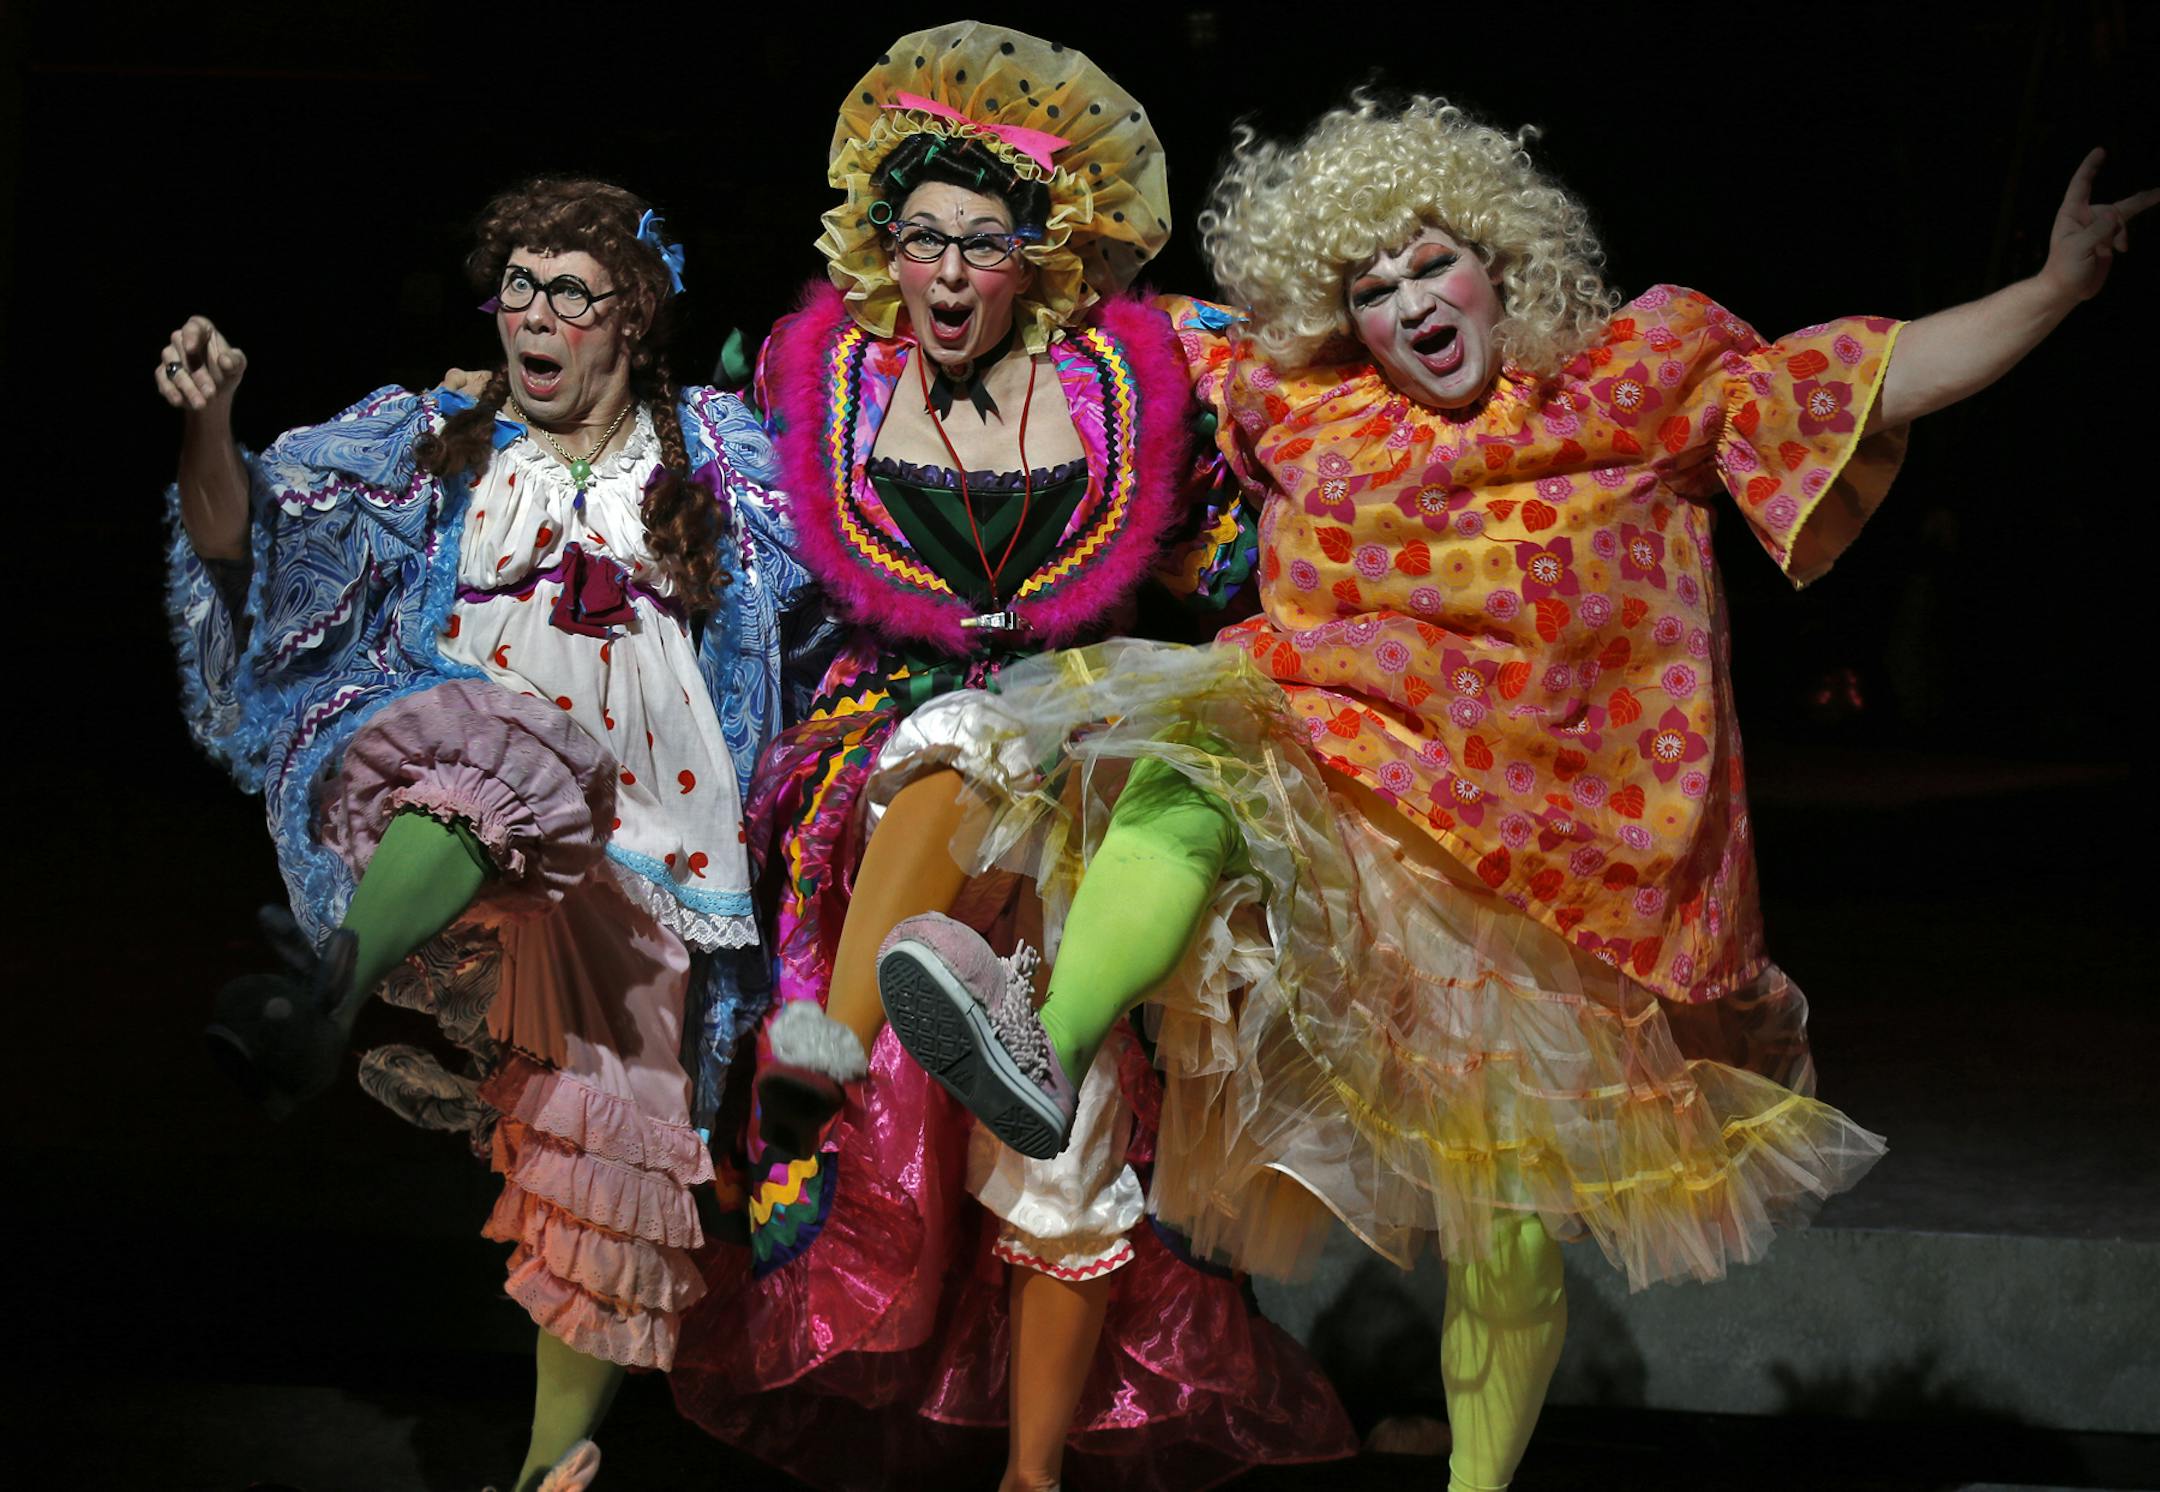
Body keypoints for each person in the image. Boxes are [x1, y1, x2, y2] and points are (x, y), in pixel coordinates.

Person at [874, 95, 2159, 1492]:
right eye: (1371, 289)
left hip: (1536, 887)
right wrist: (957, 175)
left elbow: (1868, 379)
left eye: (1434, 265)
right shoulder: (1300, 400)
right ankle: (1044, 1045)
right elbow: (1081, 292)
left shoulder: (1637, 373)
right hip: (1338, 806)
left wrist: (2050, 289)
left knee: (1506, 1219)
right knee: (1196, 760)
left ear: (1501, 259)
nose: (1412, 305)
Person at [668, 22, 1353, 1492]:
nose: (951, 272)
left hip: (1099, 729)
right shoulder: (816, 368)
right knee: (954, 737)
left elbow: (1289, 473)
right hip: (895, 745)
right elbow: (688, 489)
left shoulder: (1140, 365)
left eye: (984, 241)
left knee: (1074, 1097)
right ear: (882, 244)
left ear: (1040, 254)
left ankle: (1032, 1474)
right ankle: (826, 1050)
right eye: (922, 238)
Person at [160, 178, 803, 1492]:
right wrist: (210, 428)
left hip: (653, 866)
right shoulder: (434, 440)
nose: (533, 313)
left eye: (570, 289)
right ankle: (324, 997)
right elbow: (252, 545)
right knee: (510, 756)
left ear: (633, 316)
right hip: (462, 815)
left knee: (609, 1156)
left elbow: (852, 532)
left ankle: (546, 1472)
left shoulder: (721, 459)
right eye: (517, 285)